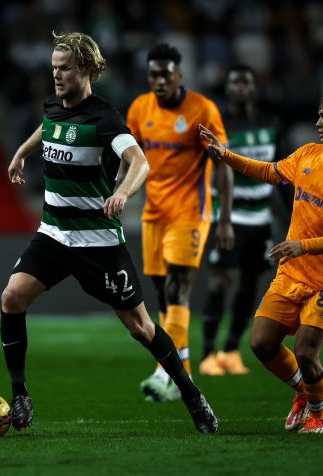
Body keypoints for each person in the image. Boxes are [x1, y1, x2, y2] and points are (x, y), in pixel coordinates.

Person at [1, 31, 218, 434]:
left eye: (64, 69)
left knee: (141, 328)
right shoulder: (53, 105)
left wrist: (121, 192)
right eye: (53, 69)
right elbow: (48, 126)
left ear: (85, 69)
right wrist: (21, 153)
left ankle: (191, 395)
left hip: (98, 244)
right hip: (53, 234)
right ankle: (20, 395)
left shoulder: (104, 117)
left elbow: (139, 162)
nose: (57, 76)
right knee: (12, 297)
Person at [199, 82, 323, 433]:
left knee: (307, 352)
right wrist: (226, 155)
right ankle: (304, 393)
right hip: (291, 274)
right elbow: (269, 171)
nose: (318, 122)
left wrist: (303, 246)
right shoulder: (308, 154)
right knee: (260, 343)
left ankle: (320, 418)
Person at [125, 43, 234, 401]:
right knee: (162, 293)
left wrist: (224, 219)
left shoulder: (202, 110)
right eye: (153, 74)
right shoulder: (140, 109)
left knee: (177, 289)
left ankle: (162, 373)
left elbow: (222, 164)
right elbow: (129, 158)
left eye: (165, 74)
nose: (158, 80)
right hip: (154, 214)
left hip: (191, 213)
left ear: (179, 75)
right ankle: (181, 370)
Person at [198, 65, 283, 376]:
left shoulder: (271, 124)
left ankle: (232, 350)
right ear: (228, 89)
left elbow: (281, 172)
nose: (241, 87)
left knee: (251, 281)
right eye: (235, 82)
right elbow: (210, 170)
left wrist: (286, 216)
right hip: (228, 217)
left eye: (246, 82)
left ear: (254, 88)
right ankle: (208, 354)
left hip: (261, 219)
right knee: (220, 280)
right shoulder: (218, 125)